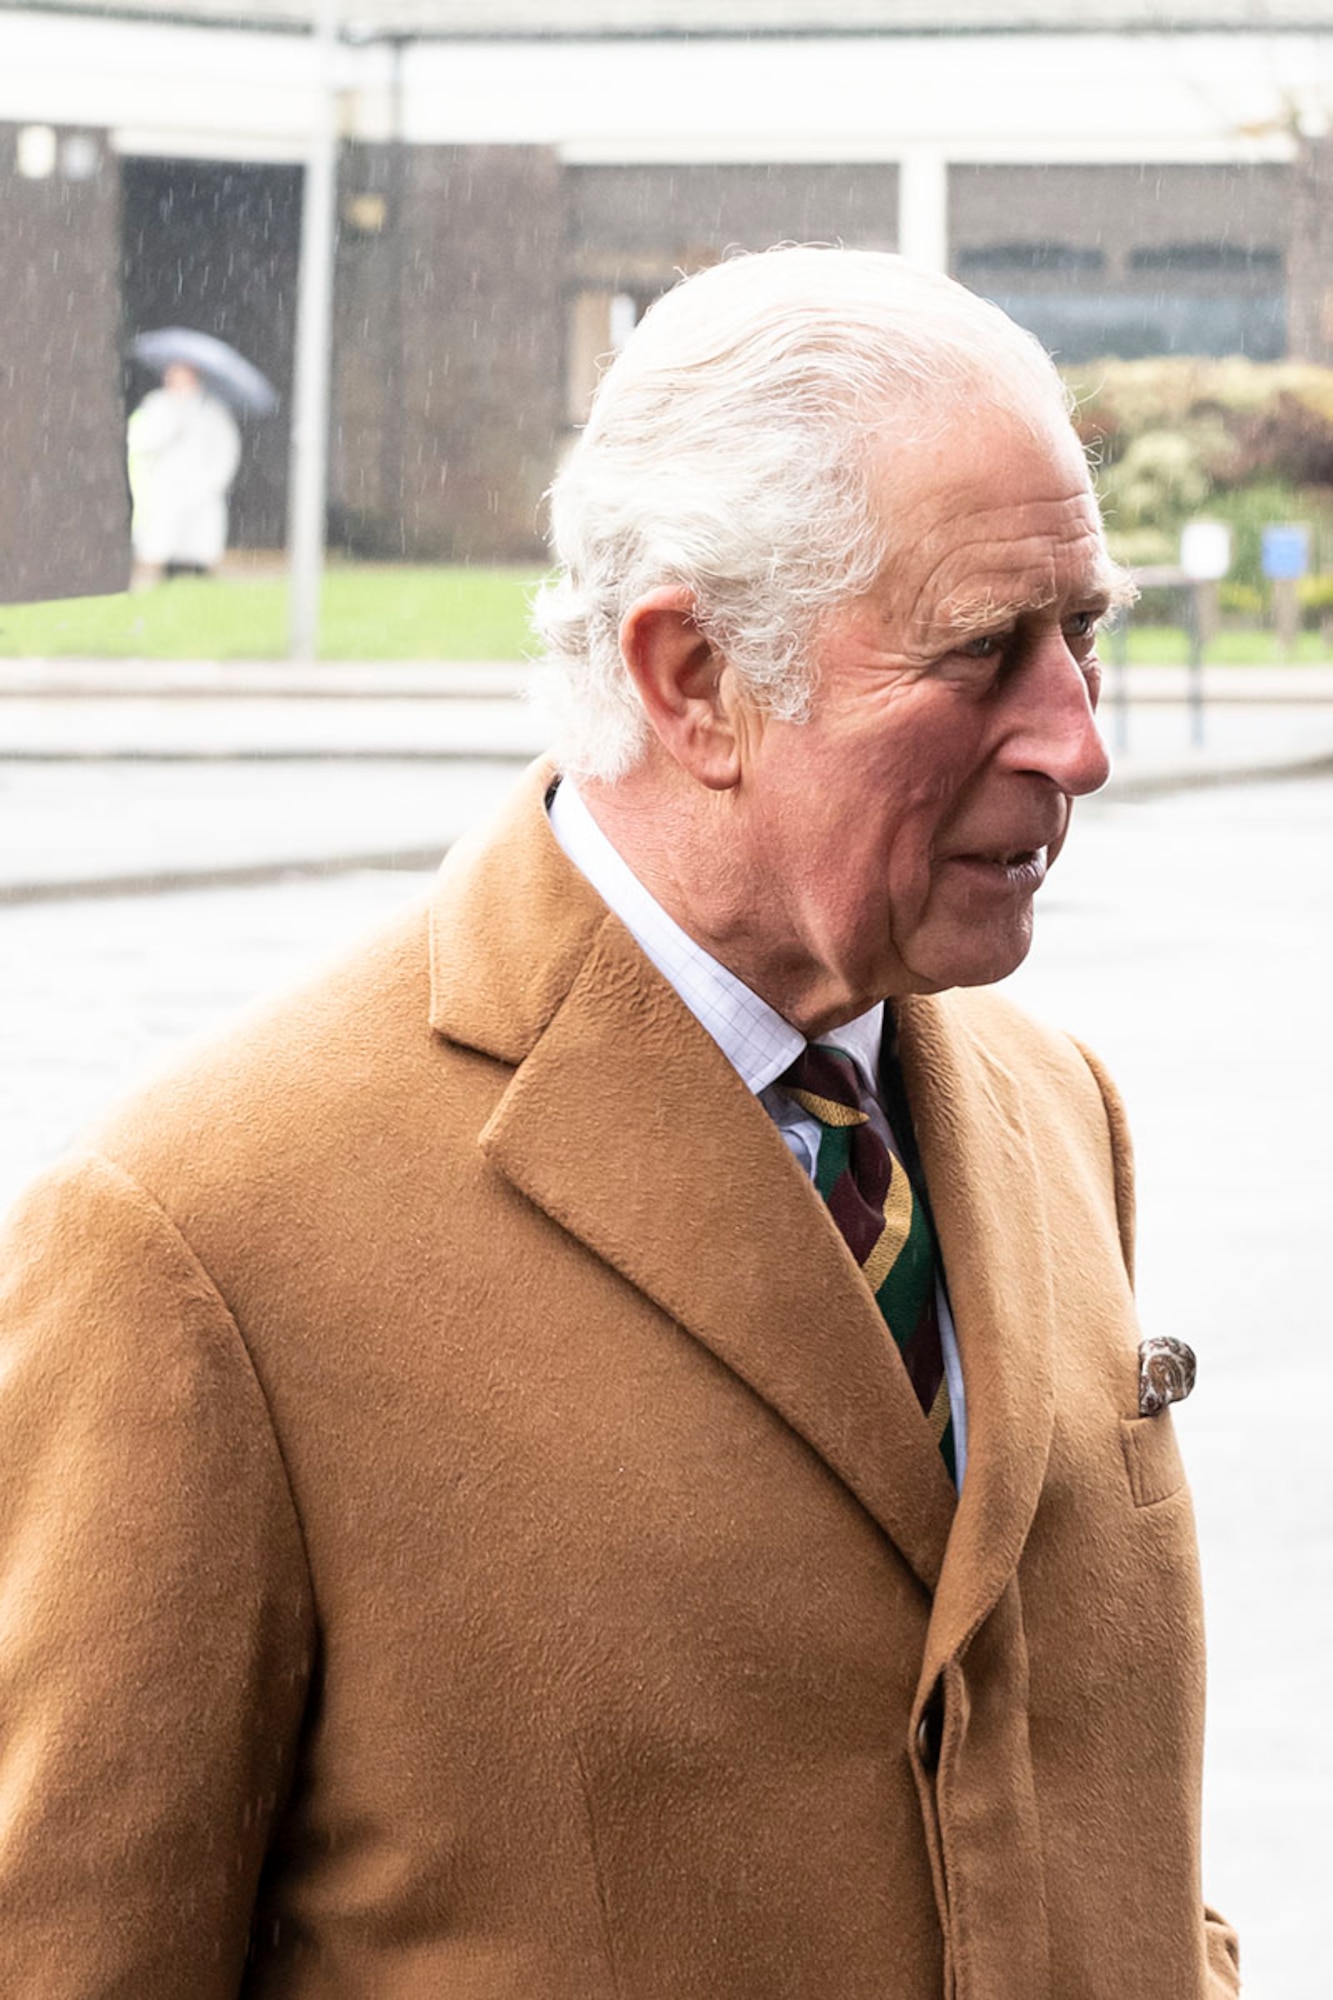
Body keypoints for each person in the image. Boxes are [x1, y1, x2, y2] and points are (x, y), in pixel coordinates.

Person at [0, 248, 1240, 1998]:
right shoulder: (191, 1239)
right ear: (690, 677)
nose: (1078, 741)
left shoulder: (1058, 1113)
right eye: (983, 654)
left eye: (1085, 636)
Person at [127, 359, 241, 578]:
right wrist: (167, 432)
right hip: (164, 487)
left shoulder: (212, 411)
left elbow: (226, 450)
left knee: (201, 543)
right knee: (156, 542)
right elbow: (138, 440)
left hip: (200, 488)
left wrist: (212, 482)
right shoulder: (154, 405)